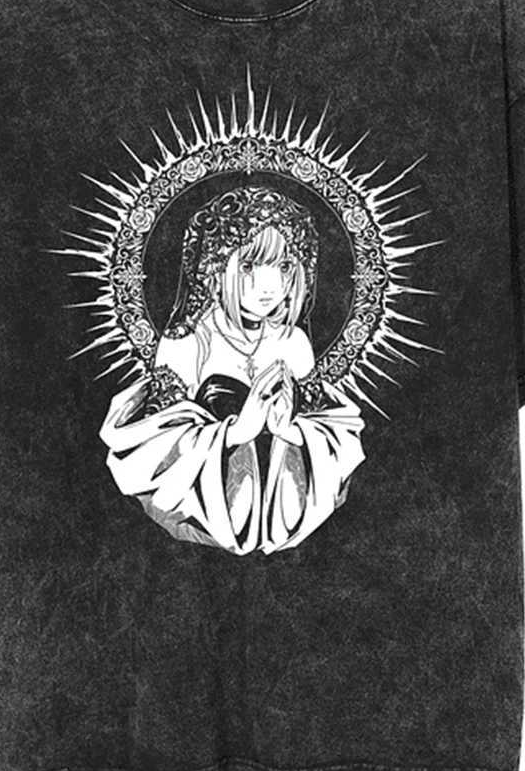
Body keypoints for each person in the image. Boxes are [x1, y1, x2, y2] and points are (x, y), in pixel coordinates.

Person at [99, 185, 366, 555]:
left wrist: (291, 430)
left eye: (284, 266)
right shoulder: (187, 343)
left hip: (289, 515)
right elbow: (156, 452)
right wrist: (236, 432)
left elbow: (333, 440)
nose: (270, 285)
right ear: (214, 266)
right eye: (249, 266)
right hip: (201, 522)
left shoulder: (293, 342)